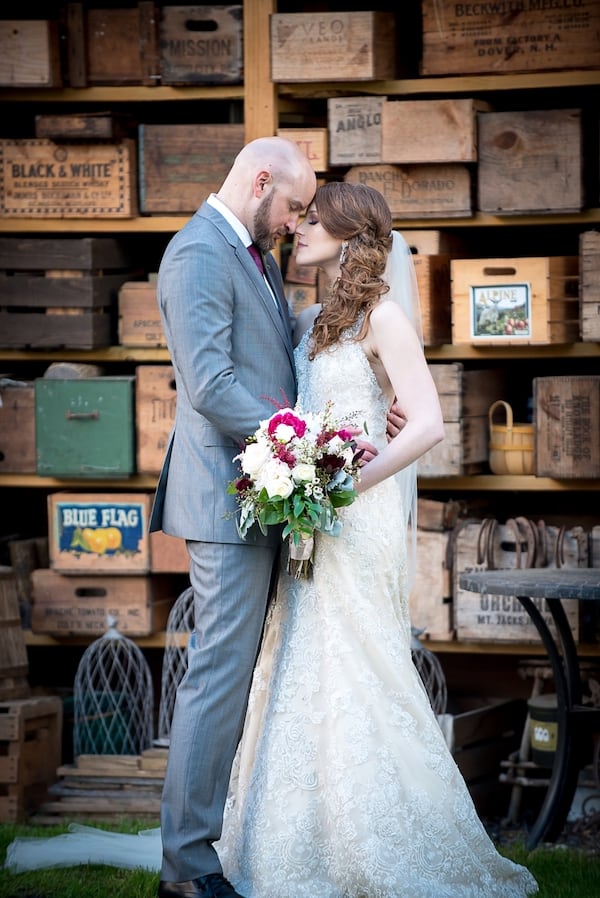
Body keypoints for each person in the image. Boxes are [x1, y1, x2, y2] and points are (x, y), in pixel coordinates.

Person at [213, 182, 539, 898]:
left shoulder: (383, 317)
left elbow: (425, 423)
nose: (298, 228)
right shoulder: (317, 320)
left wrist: (343, 486)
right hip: (313, 515)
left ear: (349, 232)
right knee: (305, 658)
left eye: (312, 220)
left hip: (355, 518)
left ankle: (387, 833)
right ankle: (299, 839)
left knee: (362, 662)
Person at [148, 136, 317, 898]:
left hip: (262, 492)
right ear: (259, 183)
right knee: (216, 677)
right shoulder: (198, 255)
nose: (295, 223)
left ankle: (227, 841)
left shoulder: (251, 252)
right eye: (294, 206)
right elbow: (212, 384)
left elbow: (267, 353)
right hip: (228, 500)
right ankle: (186, 869)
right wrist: (302, 445)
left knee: (239, 673)